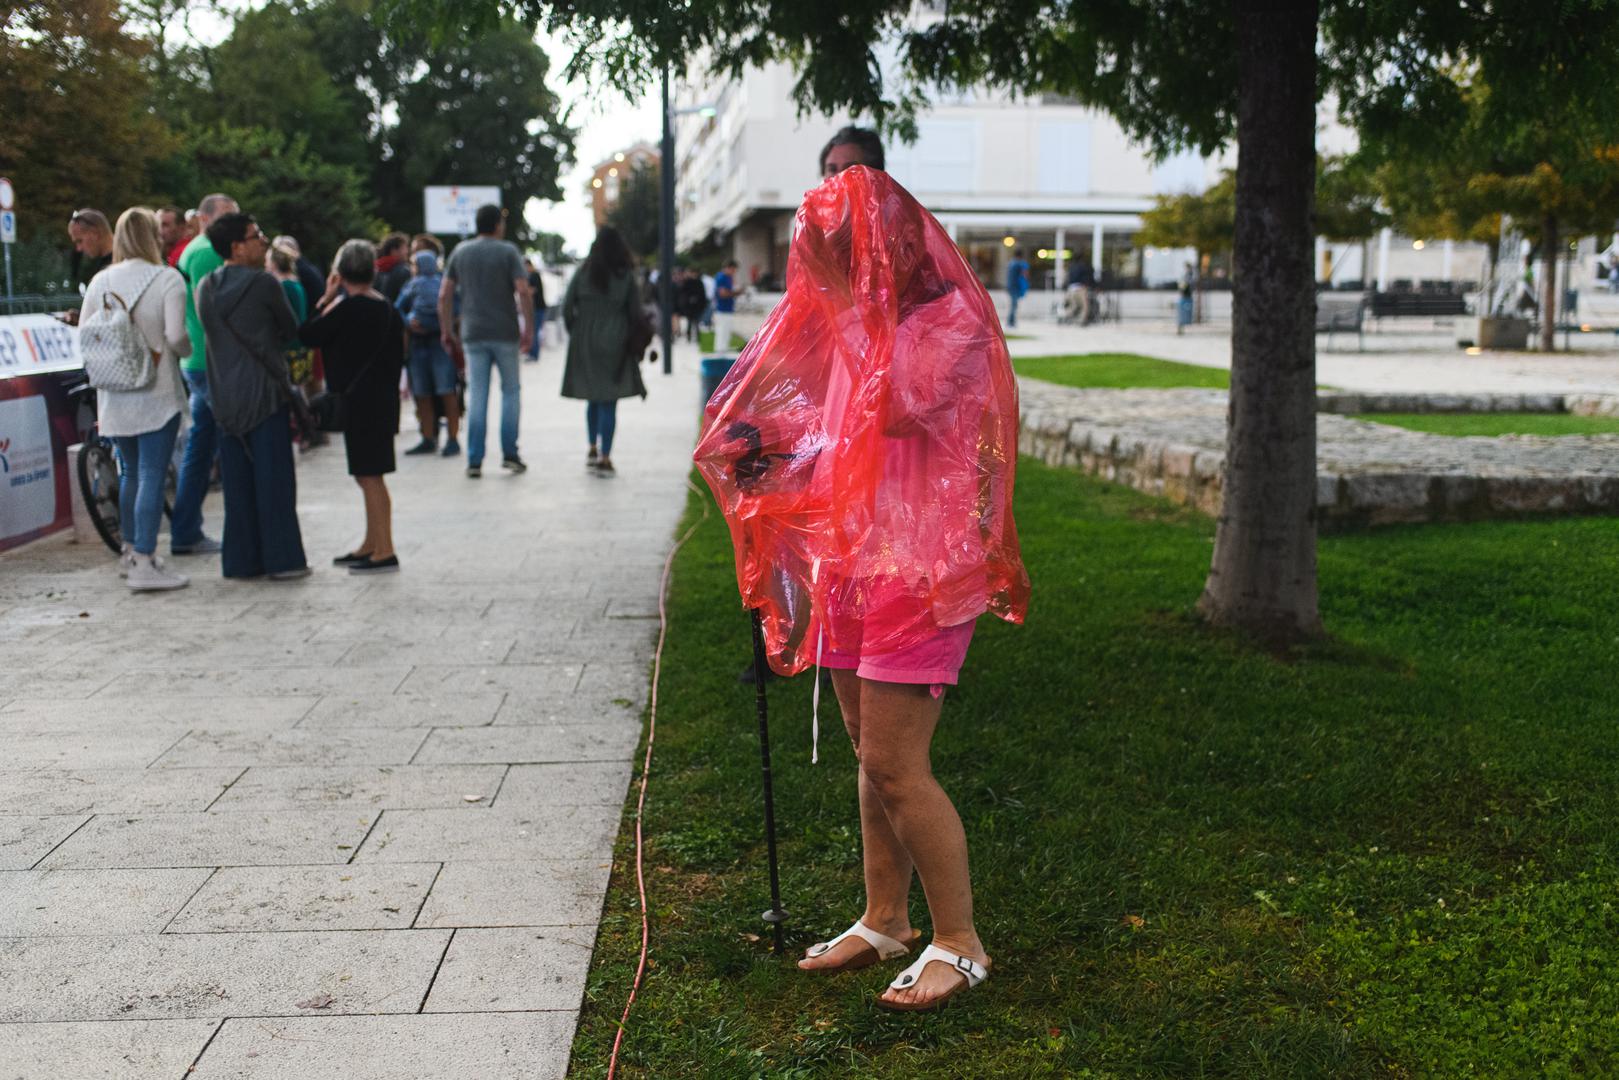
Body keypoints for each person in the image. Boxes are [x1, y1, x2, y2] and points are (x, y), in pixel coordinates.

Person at [696, 128, 1029, 1012]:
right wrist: (766, 450)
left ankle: (960, 942)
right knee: (868, 755)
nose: (823, 277)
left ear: (880, 253)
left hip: (923, 571)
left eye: (835, 258)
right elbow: (835, 438)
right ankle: (886, 918)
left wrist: (846, 310)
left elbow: (898, 412)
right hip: (855, 559)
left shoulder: (944, 323)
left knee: (896, 764)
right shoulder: (852, 325)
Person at [79, 208, 192, 592]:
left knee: (128, 472)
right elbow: (176, 337)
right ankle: (145, 559)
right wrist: (186, 350)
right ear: (153, 237)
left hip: (114, 393)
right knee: (152, 475)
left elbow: (85, 334)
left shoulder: (100, 281)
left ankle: (130, 552)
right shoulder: (167, 279)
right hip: (157, 393)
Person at [194, 211, 309, 581]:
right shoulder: (263, 284)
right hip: (265, 393)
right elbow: (289, 329)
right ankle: (283, 560)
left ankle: (242, 561)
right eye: (256, 235)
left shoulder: (205, 287)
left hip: (225, 398)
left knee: (237, 488)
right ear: (237, 247)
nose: (264, 241)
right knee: (274, 483)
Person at [299, 240, 405, 574]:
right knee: (367, 474)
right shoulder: (387, 309)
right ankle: (372, 543)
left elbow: (307, 334)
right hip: (381, 401)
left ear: (340, 273)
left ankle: (384, 549)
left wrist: (326, 298)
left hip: (359, 404)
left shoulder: (344, 309)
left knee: (370, 477)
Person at [437, 204, 534, 478]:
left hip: (473, 333)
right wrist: (529, 328)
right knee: (511, 391)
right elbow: (523, 290)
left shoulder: (461, 252)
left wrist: (447, 329)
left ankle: (475, 459)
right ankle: (510, 454)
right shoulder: (508, 251)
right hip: (505, 332)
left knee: (477, 394)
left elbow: (444, 294)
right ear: (497, 225)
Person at [171, 192, 240, 557]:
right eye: (226, 218)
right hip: (209, 362)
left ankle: (186, 530)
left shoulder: (196, 250)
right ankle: (191, 531)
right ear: (204, 218)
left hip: (201, 360)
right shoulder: (206, 252)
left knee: (202, 447)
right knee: (223, 444)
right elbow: (210, 309)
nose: (232, 227)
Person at [561, 225, 647, 476]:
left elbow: (567, 307)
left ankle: (591, 446)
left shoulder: (583, 271)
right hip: (616, 339)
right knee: (609, 400)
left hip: (585, 339)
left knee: (592, 395)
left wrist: (576, 331)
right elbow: (635, 312)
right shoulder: (625, 275)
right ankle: (605, 455)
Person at [396, 249, 460, 457]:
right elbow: (457, 310)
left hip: (424, 344)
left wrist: (409, 321)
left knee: (425, 393)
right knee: (445, 392)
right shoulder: (443, 283)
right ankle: (449, 438)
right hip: (439, 344)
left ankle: (430, 438)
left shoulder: (411, 285)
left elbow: (397, 308)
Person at [65, 209, 114, 318]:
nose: (79, 248)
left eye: (80, 241)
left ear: (95, 233)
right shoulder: (107, 263)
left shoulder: (120, 264)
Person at [712, 258, 742, 352]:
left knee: (727, 332)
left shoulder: (729, 278)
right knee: (722, 331)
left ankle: (723, 349)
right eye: (733, 270)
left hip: (728, 308)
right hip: (721, 309)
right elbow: (723, 294)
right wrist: (736, 293)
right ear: (728, 268)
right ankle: (720, 351)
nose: (734, 272)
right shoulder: (721, 277)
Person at [373, 233, 411, 303]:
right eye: (404, 248)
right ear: (394, 251)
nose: (407, 251)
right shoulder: (404, 270)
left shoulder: (374, 268)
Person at [523, 257, 548, 361]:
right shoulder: (533, 275)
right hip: (537, 308)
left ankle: (534, 354)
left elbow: (531, 291)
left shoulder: (534, 275)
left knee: (534, 331)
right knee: (533, 330)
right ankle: (532, 353)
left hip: (537, 308)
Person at [678, 266, 709, 343]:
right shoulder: (687, 282)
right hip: (689, 306)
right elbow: (683, 294)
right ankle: (689, 336)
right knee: (689, 322)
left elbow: (702, 295)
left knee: (697, 322)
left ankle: (697, 337)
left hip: (697, 306)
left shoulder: (699, 282)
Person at [1005, 247, 1030, 328]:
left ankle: (1011, 321)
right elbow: (1025, 274)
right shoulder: (1019, 264)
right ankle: (1011, 322)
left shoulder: (1011, 263)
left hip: (1010, 287)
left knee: (1013, 305)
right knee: (1014, 305)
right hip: (1015, 287)